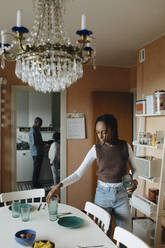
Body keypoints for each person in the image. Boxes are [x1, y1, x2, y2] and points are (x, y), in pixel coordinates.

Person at [46, 114, 138, 237]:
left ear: (113, 129)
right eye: (97, 132)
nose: (100, 136)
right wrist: (59, 185)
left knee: (127, 235)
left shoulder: (125, 146)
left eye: (104, 132)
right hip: (102, 195)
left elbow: (135, 170)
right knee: (102, 233)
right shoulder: (96, 148)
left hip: (122, 195)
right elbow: (78, 173)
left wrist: (135, 182)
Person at [29, 117, 44, 188]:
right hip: (36, 153)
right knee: (36, 169)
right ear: (36, 122)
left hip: (38, 152)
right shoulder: (33, 131)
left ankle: (36, 183)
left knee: (37, 169)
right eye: (40, 124)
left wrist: (43, 143)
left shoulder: (36, 129)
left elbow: (39, 141)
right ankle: (34, 184)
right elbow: (34, 143)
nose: (40, 125)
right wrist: (44, 144)